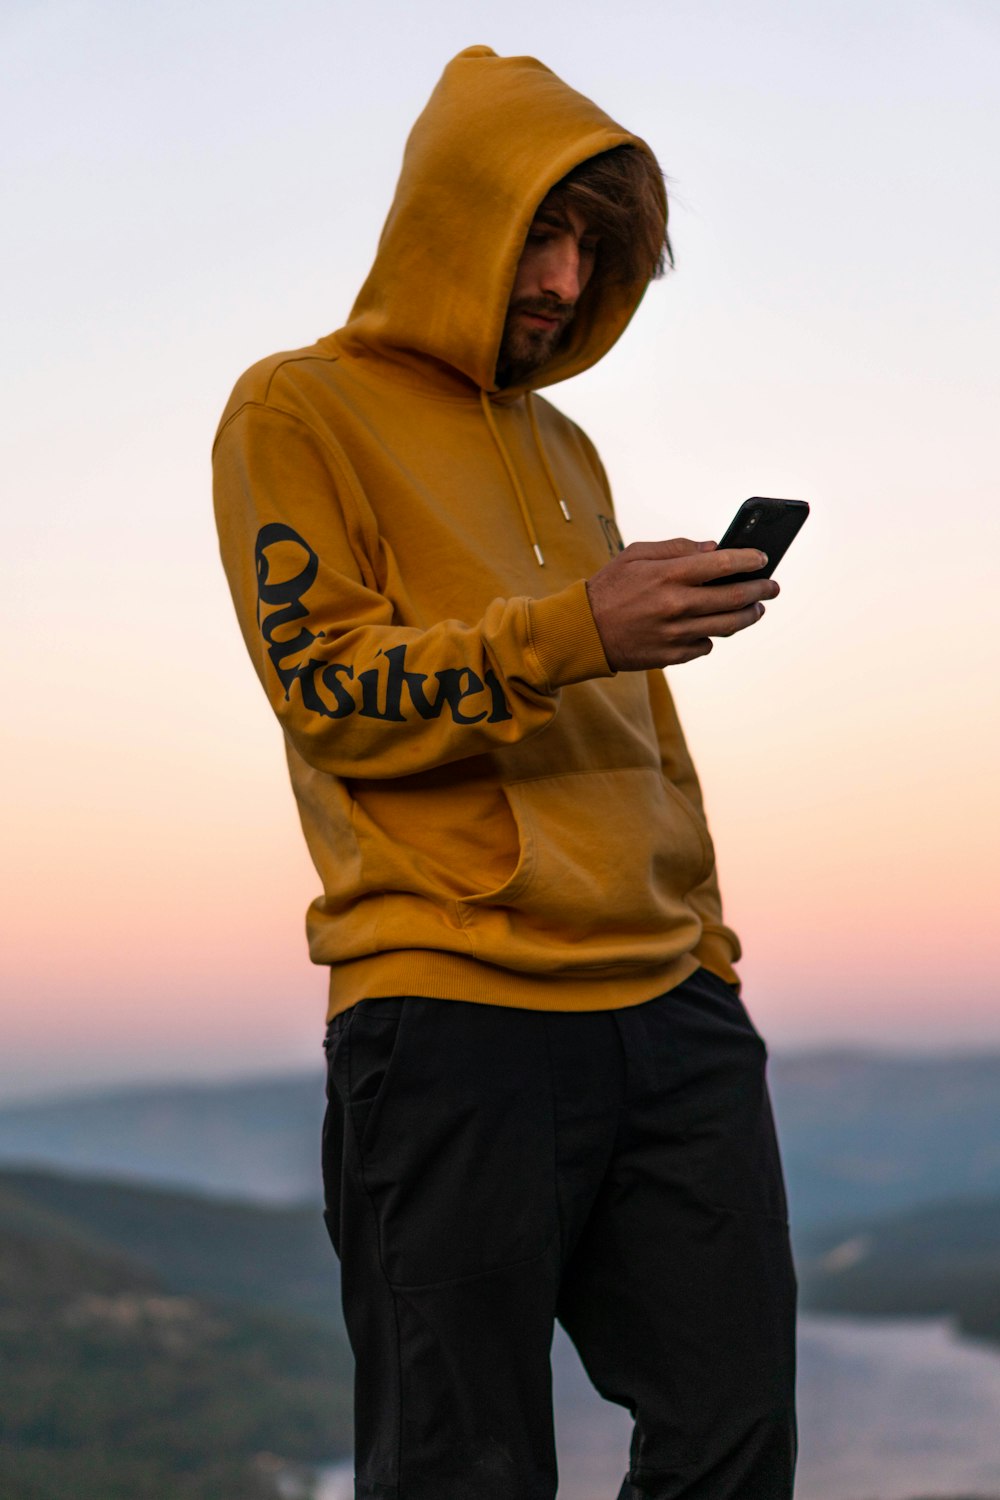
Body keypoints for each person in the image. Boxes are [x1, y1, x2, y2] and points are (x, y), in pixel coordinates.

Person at [213, 44, 796, 1500]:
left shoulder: (569, 446)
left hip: (671, 1013)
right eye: (541, 230)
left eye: (596, 248)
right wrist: (574, 628)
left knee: (734, 1439)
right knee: (458, 1470)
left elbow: (646, 738)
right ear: (451, 218)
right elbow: (328, 688)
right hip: (451, 1018)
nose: (561, 279)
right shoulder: (297, 412)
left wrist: (711, 955)